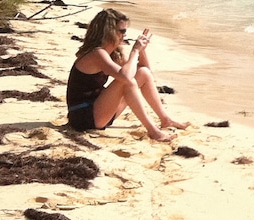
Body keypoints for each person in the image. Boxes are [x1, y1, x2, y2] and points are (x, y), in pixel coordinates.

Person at [66, 8, 188, 142]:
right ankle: (153, 131)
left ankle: (165, 119)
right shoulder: (97, 54)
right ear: (109, 31)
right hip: (83, 116)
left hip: (99, 110)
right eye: (122, 31)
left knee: (142, 74)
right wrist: (134, 50)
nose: (124, 35)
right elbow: (125, 77)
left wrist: (141, 51)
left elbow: (144, 72)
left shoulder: (112, 53)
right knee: (127, 82)